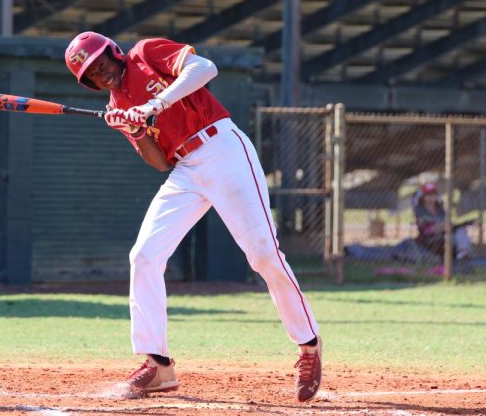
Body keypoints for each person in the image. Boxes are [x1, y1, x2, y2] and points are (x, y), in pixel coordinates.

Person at [64, 32, 322, 402]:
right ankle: (158, 365)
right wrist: (136, 128)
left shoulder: (144, 53)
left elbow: (205, 68)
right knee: (145, 255)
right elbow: (160, 162)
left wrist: (156, 103)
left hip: (222, 148)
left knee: (264, 254)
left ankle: (309, 345)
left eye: (100, 63)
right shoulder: (117, 104)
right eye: (90, 74)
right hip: (185, 169)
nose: (100, 73)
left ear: (113, 52)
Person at [412, 182, 473, 264]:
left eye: (433, 195)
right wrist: (440, 226)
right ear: (423, 197)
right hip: (429, 235)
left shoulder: (440, 210)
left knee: (460, 230)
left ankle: (462, 254)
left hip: (444, 232)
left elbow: (446, 222)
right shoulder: (420, 210)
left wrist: (448, 225)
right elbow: (424, 227)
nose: (431, 198)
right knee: (446, 230)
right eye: (428, 195)